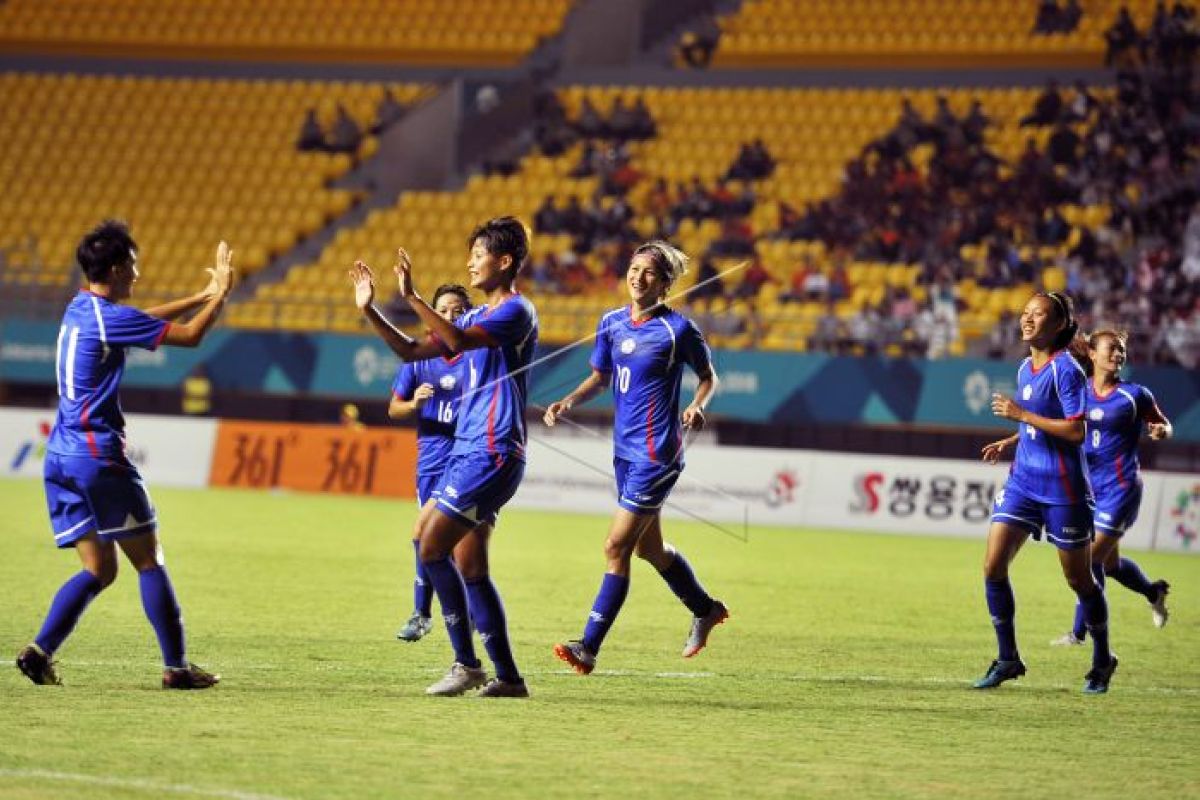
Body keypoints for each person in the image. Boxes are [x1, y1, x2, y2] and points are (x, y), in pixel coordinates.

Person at [15, 220, 235, 689]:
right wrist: (222, 296)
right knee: (149, 559)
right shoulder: (107, 317)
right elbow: (191, 336)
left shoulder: (81, 308)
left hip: (60, 456)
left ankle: (40, 651)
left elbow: (142, 317)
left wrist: (201, 293)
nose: (136, 275)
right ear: (115, 269)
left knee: (99, 569)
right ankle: (176, 669)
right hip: (97, 456)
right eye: (132, 268)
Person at [349, 217, 536, 698]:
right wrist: (371, 310)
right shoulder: (474, 319)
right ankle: (509, 678)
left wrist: (413, 297)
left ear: (505, 261)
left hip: (492, 450)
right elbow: (412, 350)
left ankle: (466, 664)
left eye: (478, 254)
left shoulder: (516, 312)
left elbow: (452, 342)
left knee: (429, 544)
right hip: (471, 450)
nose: (470, 262)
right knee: (470, 566)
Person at [543, 241, 727, 675]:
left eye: (648, 272)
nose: (637, 277)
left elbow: (707, 377)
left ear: (664, 284)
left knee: (615, 546)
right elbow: (600, 376)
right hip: (624, 454)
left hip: (657, 454)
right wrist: (569, 400)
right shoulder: (610, 323)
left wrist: (698, 405)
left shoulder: (678, 330)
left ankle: (588, 647)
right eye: (633, 268)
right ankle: (705, 609)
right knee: (650, 549)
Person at [977, 291, 1117, 694]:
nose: (1027, 320)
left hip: (1063, 490)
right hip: (1023, 483)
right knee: (992, 566)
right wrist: (1012, 438)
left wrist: (1021, 415)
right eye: (1025, 313)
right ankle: (1008, 659)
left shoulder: (1067, 371)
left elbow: (1076, 430)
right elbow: (1038, 424)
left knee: (1079, 580)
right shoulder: (1025, 367)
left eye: (1038, 315)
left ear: (1058, 325)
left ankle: (1102, 659)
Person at [1050, 331, 1172, 646]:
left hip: (1122, 488)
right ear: (1091, 353)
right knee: (1109, 564)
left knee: (1088, 560)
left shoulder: (1135, 395)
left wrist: (1161, 431)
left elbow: (1163, 423)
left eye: (1122, 350)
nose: (1118, 354)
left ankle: (1078, 634)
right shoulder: (1077, 393)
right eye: (1112, 348)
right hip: (1089, 491)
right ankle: (1153, 591)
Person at [388, 284, 471, 643]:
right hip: (432, 462)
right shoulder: (420, 360)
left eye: (457, 310)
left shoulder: (478, 357)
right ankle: (446, 616)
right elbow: (394, 408)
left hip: (468, 459)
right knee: (438, 544)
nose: (450, 316)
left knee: (428, 536)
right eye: (444, 310)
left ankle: (423, 613)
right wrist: (415, 405)